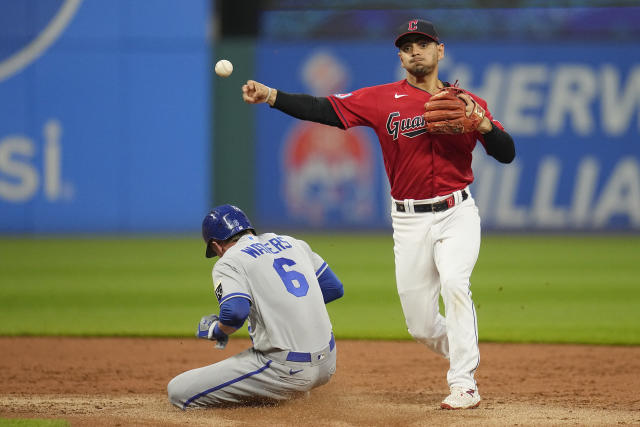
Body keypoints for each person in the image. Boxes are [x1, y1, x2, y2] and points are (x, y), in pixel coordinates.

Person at [241, 19, 515, 410]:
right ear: (401, 57)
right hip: (408, 219)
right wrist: (271, 95)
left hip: (458, 212)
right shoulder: (381, 98)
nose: (415, 50)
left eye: (423, 43)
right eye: (407, 46)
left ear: (441, 51)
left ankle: (464, 382)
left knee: (456, 282)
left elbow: (506, 152)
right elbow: (324, 109)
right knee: (420, 326)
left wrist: (484, 125)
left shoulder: (467, 103)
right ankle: (463, 348)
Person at [167, 204, 344, 409]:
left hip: (286, 371)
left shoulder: (229, 261)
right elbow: (333, 288)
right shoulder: (292, 242)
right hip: (329, 364)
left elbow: (234, 314)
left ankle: (280, 394)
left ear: (216, 246)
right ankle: (288, 390)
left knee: (178, 391)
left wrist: (216, 330)